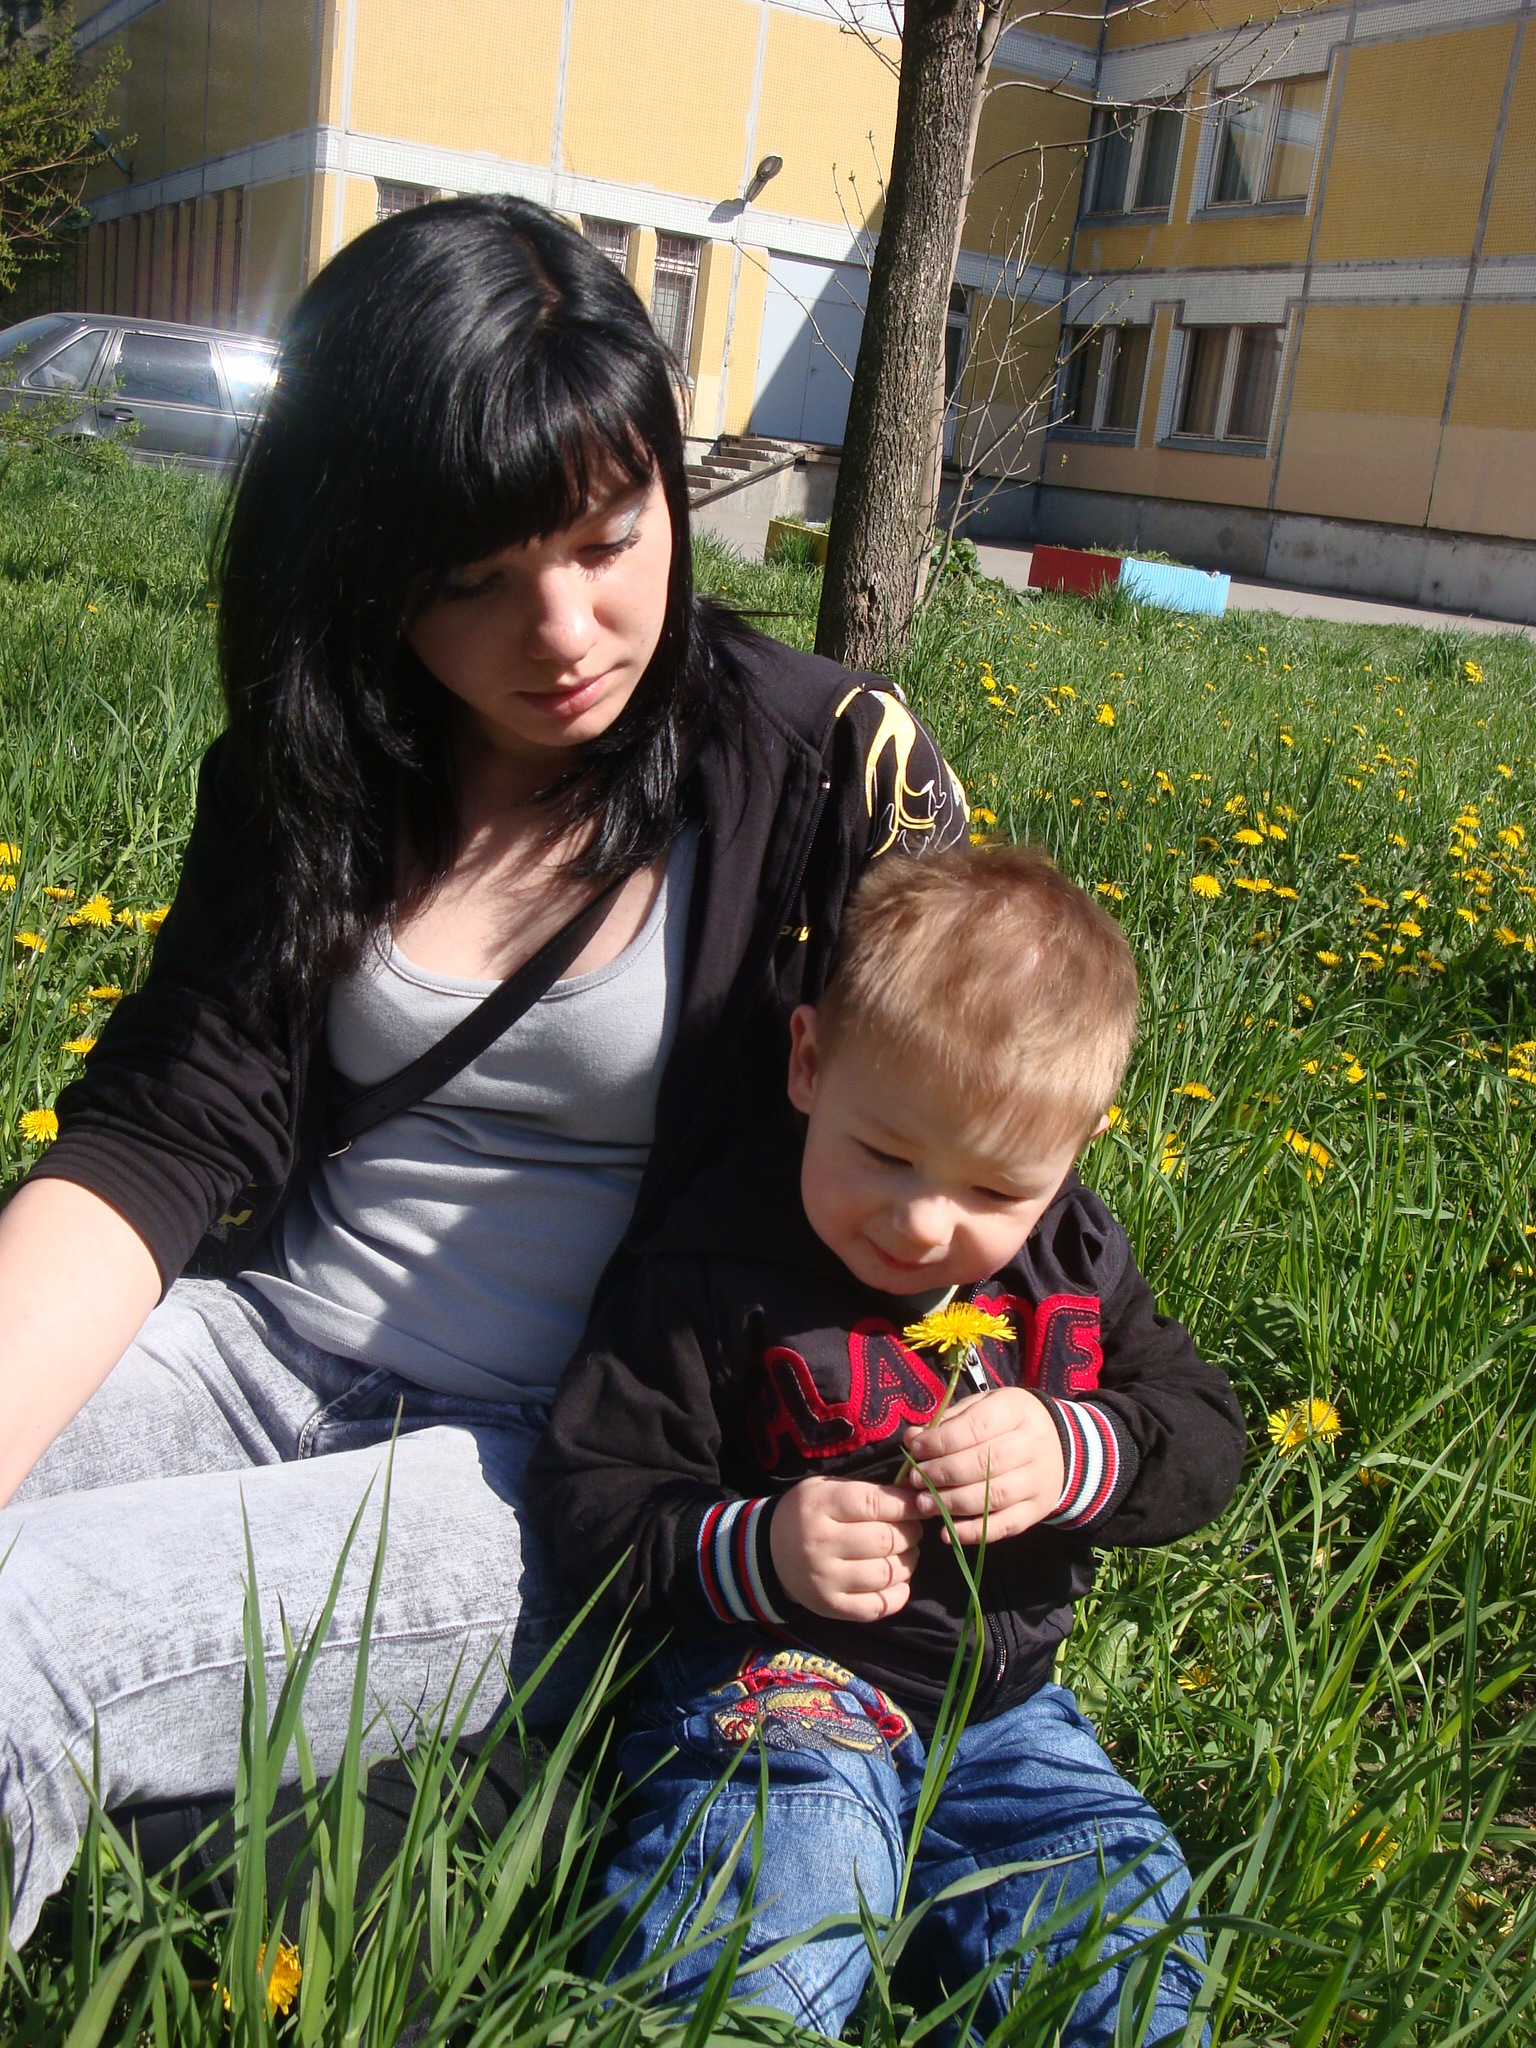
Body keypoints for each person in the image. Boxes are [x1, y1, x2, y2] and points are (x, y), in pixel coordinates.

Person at [0, 195, 966, 1948]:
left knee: (31, 1641)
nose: (566, 629)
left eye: (608, 538)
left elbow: (978, 1145)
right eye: (474, 581)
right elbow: (161, 1124)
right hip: (260, 1347)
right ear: (368, 567)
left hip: (548, 1461)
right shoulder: (324, 761)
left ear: (672, 488)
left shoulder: (823, 775)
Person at [529, 844, 1247, 2043]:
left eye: (994, 1189)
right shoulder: (713, 1263)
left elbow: (1206, 1428)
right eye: (885, 1153)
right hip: (780, 1687)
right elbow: (589, 1491)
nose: (921, 1222)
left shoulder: (1071, 1257)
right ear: (810, 1063)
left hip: (1007, 1714)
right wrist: (761, 1547)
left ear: (1077, 1147)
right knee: (783, 1879)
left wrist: (1074, 1449)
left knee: (1118, 1927)